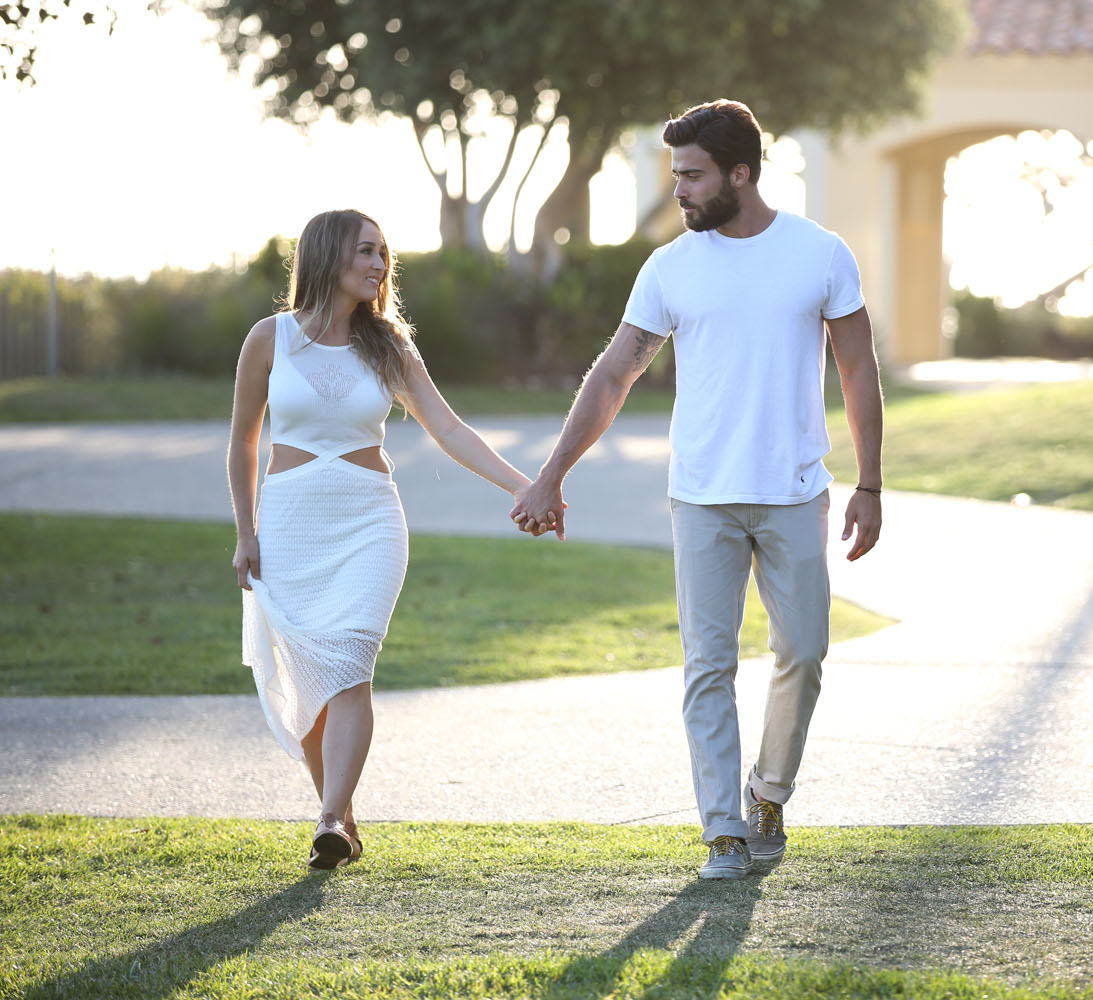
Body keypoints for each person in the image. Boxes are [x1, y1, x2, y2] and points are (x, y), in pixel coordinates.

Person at [510, 99, 884, 880]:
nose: (677, 189)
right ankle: (721, 828)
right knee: (708, 665)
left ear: (739, 174)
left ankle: (768, 794)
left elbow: (856, 367)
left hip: (792, 493)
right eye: (675, 173)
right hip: (703, 497)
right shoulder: (670, 266)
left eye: (691, 174)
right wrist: (552, 473)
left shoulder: (819, 254)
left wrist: (870, 482)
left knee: (804, 652)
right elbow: (615, 372)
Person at [228, 209, 545, 870]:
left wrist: (524, 486)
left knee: (351, 664)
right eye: (365, 251)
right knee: (313, 675)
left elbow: (449, 429)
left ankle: (326, 820)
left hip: (369, 522)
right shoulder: (269, 338)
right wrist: (244, 532)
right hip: (289, 525)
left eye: (382, 253)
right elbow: (242, 443)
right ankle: (341, 816)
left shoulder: (389, 344)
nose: (378, 264)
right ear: (326, 255)